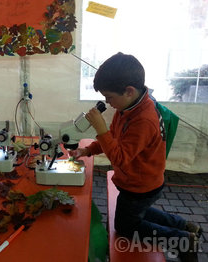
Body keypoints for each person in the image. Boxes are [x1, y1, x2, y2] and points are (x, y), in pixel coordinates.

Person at [70, 53, 201, 261]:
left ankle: (181, 239)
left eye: (110, 97)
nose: (108, 103)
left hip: (140, 186)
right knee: (138, 212)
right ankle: (184, 225)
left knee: (125, 226)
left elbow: (120, 158)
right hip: (138, 182)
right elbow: (113, 137)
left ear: (129, 91)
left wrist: (100, 129)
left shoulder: (143, 120)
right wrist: (88, 150)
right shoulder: (128, 108)